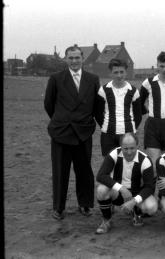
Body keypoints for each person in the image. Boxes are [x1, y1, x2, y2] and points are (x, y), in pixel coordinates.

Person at [44, 45, 100, 220]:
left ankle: (85, 205)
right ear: (66, 59)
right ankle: (59, 208)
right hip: (61, 132)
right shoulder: (56, 78)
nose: (74, 61)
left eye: (77, 58)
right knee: (60, 172)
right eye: (71, 58)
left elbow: (96, 106)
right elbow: (49, 104)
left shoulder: (92, 79)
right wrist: (62, 120)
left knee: (84, 171)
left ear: (82, 58)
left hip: (83, 132)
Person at [95, 133, 157, 234]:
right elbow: (101, 176)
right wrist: (121, 188)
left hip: (136, 193)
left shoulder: (145, 160)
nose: (129, 152)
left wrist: (134, 201)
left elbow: (149, 187)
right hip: (118, 193)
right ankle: (106, 220)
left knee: (152, 207)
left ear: (138, 146)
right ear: (121, 146)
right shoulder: (114, 154)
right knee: (101, 190)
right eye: (125, 148)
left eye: (132, 148)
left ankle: (137, 212)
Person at [95, 58, 142, 156]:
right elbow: (98, 113)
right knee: (109, 165)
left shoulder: (133, 91)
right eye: (115, 72)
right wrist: (106, 126)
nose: (119, 75)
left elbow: (138, 116)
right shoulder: (103, 90)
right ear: (110, 73)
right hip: (108, 134)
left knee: (128, 164)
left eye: (121, 72)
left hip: (128, 134)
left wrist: (131, 127)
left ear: (126, 72)